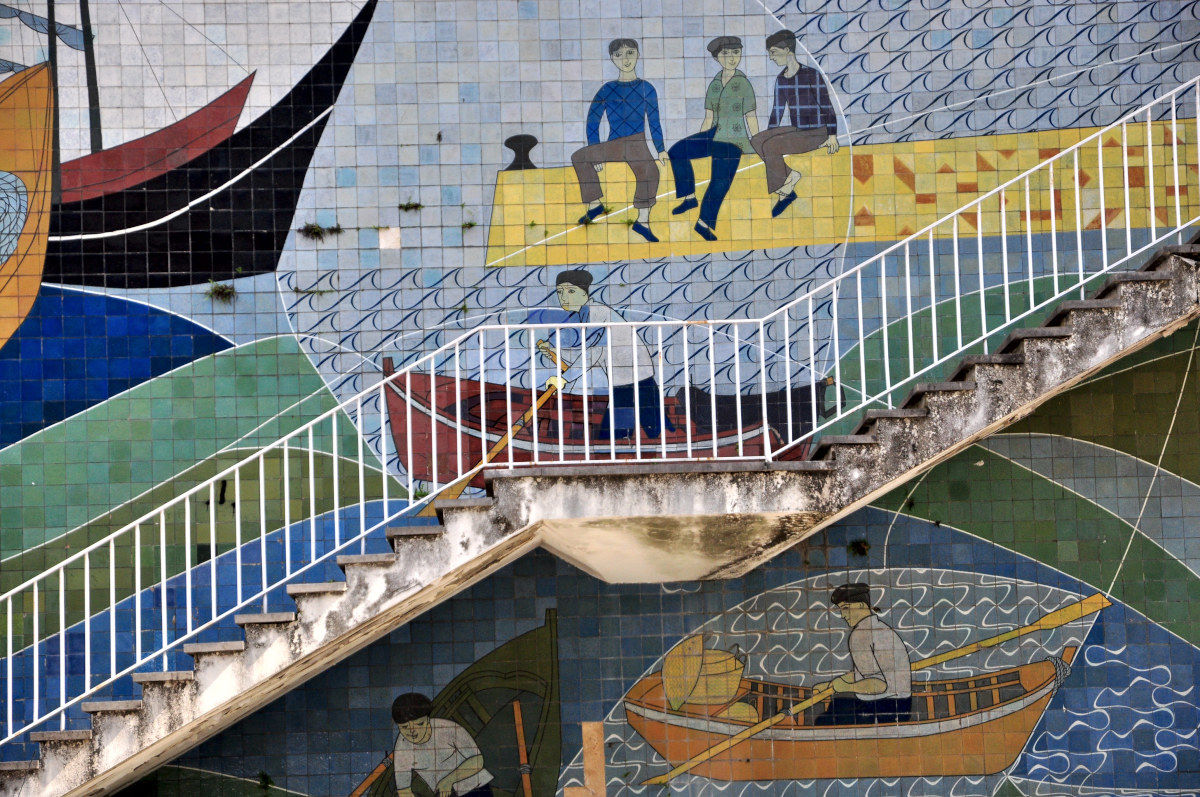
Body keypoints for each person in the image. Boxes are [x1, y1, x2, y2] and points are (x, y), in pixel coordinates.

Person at [529, 269, 675, 440]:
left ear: (584, 293)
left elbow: (593, 353)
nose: (563, 297)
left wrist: (564, 378)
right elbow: (591, 352)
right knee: (651, 420)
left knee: (619, 428)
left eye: (571, 291)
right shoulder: (588, 313)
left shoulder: (597, 313)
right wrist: (556, 352)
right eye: (560, 292)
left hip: (629, 375)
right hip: (630, 374)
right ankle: (667, 443)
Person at [571, 39, 668, 243]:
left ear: (638, 55)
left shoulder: (646, 88)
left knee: (651, 172)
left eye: (630, 53)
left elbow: (654, 120)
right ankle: (594, 204)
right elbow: (593, 120)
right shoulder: (608, 89)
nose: (626, 59)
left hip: (637, 143)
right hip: (613, 145)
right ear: (612, 59)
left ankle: (642, 222)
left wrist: (660, 149)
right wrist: (595, 148)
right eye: (619, 55)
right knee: (579, 156)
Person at [668, 36, 758, 241]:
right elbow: (708, 117)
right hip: (714, 134)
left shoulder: (743, 83)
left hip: (734, 139)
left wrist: (756, 142)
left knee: (719, 183)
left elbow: (750, 116)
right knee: (677, 151)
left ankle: (703, 224)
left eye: (736, 52)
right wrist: (700, 137)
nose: (732, 58)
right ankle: (689, 197)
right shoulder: (715, 84)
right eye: (726, 54)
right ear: (717, 58)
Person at [749, 29, 839, 218]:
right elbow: (777, 111)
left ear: (788, 49)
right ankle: (791, 175)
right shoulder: (781, 79)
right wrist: (769, 135)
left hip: (817, 132)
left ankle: (786, 192)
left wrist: (832, 135)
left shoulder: (811, 75)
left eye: (773, 52)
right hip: (799, 130)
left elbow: (826, 105)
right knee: (758, 140)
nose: (771, 57)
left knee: (771, 145)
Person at [812, 583, 913, 725]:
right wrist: (832, 684)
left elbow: (880, 685)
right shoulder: (876, 629)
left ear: (861, 605)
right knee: (837, 705)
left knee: (824, 722)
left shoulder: (862, 634)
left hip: (888, 706)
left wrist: (846, 687)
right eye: (841, 610)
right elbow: (866, 674)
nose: (842, 615)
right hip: (895, 703)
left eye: (846, 608)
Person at [392, 693, 493, 797]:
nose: (412, 731)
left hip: (475, 786)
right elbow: (403, 790)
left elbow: (477, 761)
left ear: (427, 720)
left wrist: (448, 780)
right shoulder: (402, 747)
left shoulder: (447, 728)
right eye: (404, 727)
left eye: (419, 724)